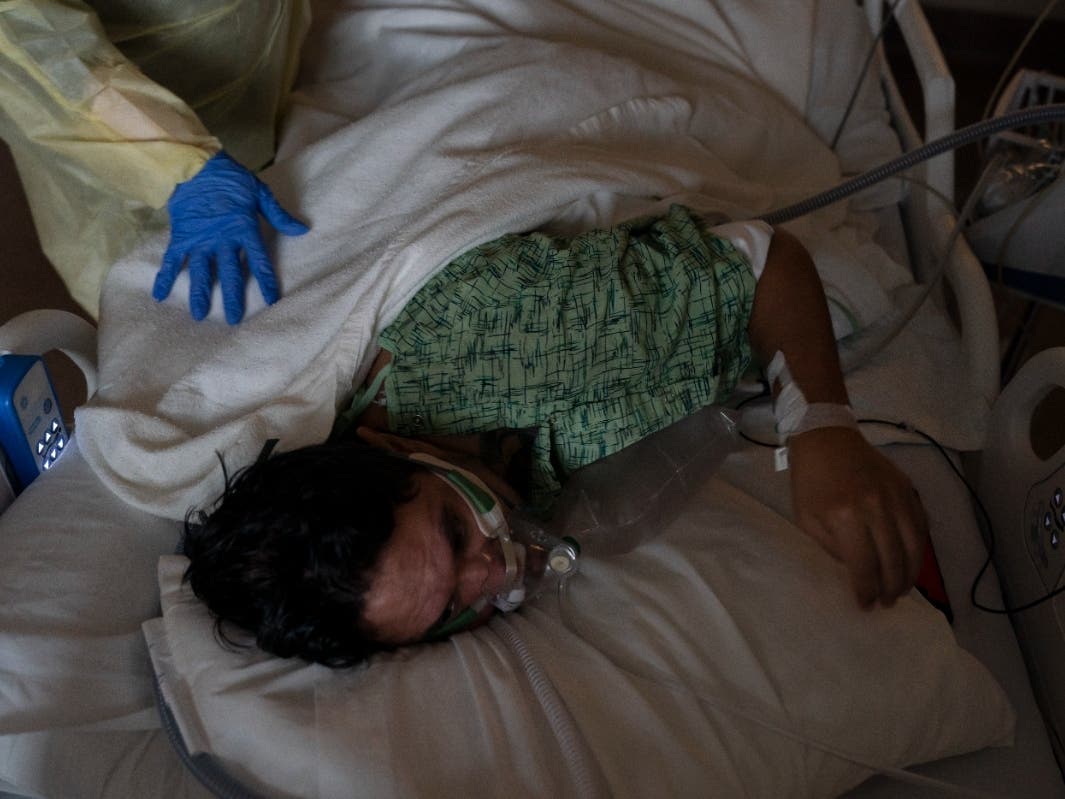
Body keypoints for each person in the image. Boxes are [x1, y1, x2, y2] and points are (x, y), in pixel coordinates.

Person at [183, 205, 930, 666]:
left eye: (451, 534)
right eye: (448, 608)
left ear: (379, 445)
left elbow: (767, 262)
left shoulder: (507, 341)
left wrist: (821, 428)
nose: (490, 576)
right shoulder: (425, 523)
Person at [0, 1, 310, 323]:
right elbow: (35, 48)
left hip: (253, 89)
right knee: (184, 325)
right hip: (130, 165)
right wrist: (179, 163)